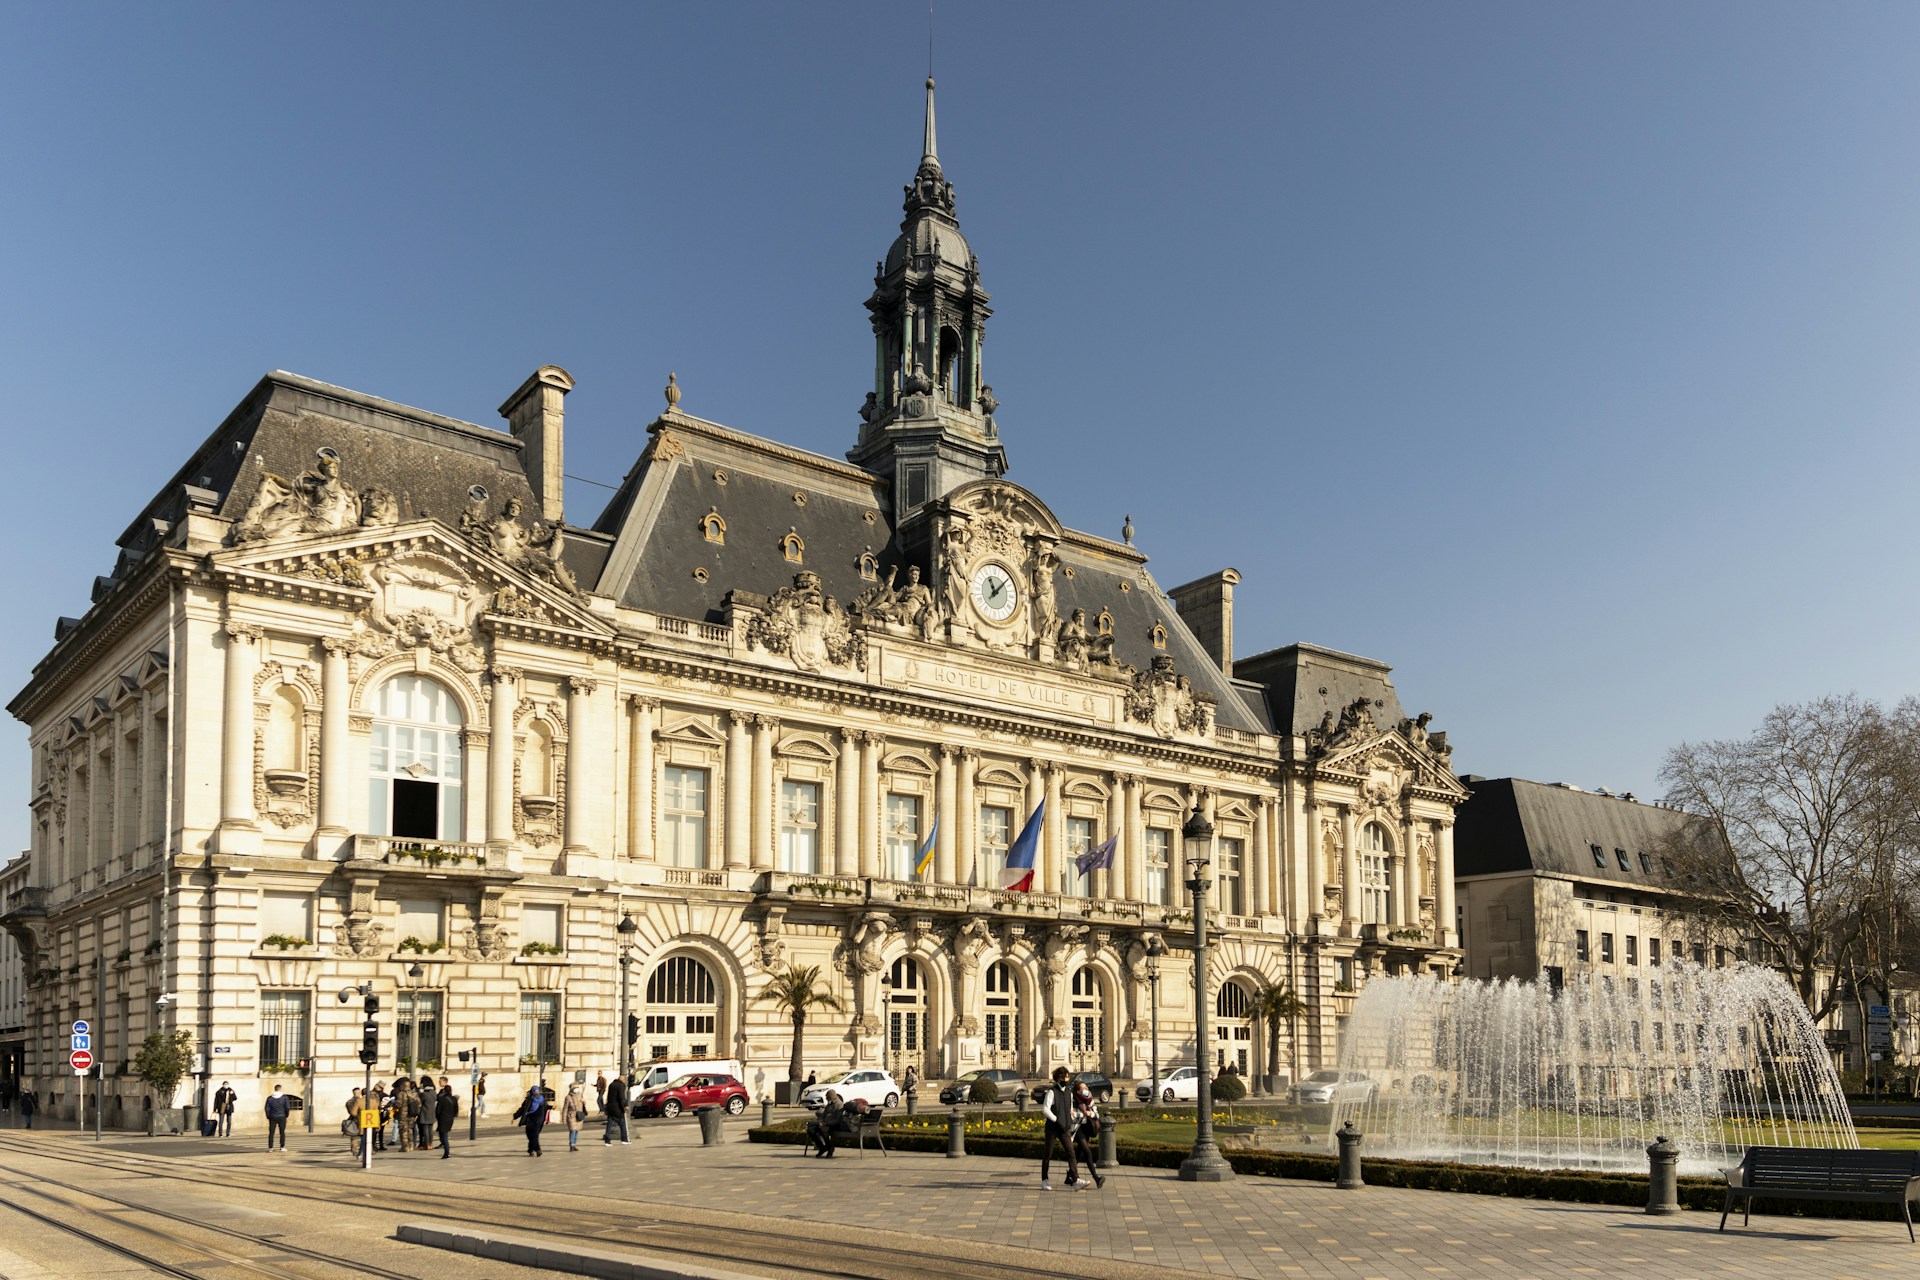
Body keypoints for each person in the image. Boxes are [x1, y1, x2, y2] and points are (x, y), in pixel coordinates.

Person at [1036, 1066, 1082, 1191]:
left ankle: (1076, 1179)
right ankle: (1044, 1180)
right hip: (1052, 1128)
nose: (1066, 1079)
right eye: (1063, 1077)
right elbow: (1045, 1109)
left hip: (1064, 1127)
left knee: (1071, 1153)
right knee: (1048, 1154)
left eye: (1067, 1077)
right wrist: (1055, 1119)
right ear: (1058, 1078)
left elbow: (1069, 1107)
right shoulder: (1052, 1092)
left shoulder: (1069, 1092)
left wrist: (1071, 1115)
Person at [1069, 1082, 1106, 1190]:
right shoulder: (1073, 1100)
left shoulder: (1089, 1099)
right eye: (1083, 1088)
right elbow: (1072, 1115)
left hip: (1087, 1128)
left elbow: (1096, 1114)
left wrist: (1091, 1114)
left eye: (1086, 1087)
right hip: (1077, 1128)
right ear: (1077, 1091)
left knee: (1078, 1154)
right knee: (1087, 1152)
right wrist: (1083, 1114)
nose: (1086, 1089)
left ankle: (1070, 1176)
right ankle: (1096, 1178)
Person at [805, 1090, 846, 1157]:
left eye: (827, 1097)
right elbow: (824, 1114)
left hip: (833, 1125)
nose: (826, 1098)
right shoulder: (829, 1104)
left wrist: (826, 1123)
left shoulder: (839, 1104)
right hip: (824, 1123)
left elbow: (837, 1120)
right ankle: (821, 1147)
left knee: (824, 1130)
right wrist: (821, 1121)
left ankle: (830, 1148)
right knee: (810, 1130)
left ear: (831, 1097)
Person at [514, 1083, 550, 1157]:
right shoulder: (534, 1100)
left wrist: (552, 1108)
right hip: (535, 1121)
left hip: (536, 1121)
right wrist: (515, 1117)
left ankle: (538, 1149)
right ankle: (530, 1150)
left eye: (537, 1091)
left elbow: (546, 1107)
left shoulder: (537, 1100)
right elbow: (523, 1109)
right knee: (531, 1136)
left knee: (534, 1136)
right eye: (535, 1091)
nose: (537, 1093)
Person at [603, 1072, 630, 1145]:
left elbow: (609, 1096)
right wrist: (625, 1106)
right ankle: (624, 1139)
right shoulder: (621, 1085)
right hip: (618, 1108)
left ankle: (607, 1140)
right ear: (623, 1080)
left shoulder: (611, 1085)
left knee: (609, 1125)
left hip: (610, 1107)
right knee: (622, 1124)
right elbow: (621, 1097)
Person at [434, 1077, 458, 1158]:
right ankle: (446, 1150)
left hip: (442, 1119)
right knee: (444, 1135)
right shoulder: (454, 1099)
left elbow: (438, 1110)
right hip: (450, 1119)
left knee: (444, 1136)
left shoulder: (442, 1099)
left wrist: (437, 1116)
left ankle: (447, 1152)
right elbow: (456, 1110)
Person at [263, 1084, 291, 1151]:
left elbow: (267, 1109)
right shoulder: (284, 1098)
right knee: (282, 1132)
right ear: (280, 1089)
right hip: (282, 1116)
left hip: (272, 1116)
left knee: (271, 1133)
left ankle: (270, 1147)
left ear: (274, 1089)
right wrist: (286, 1115)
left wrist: (268, 1116)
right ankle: (282, 1147)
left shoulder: (270, 1098)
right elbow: (287, 1107)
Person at [561, 1084, 588, 1152]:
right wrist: (563, 1118)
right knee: (572, 1130)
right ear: (572, 1089)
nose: (577, 1089)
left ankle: (574, 1144)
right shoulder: (568, 1097)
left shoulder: (580, 1096)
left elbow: (583, 1105)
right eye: (575, 1088)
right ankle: (571, 1145)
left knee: (576, 1131)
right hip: (571, 1116)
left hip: (579, 1115)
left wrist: (584, 1102)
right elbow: (565, 1108)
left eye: (577, 1088)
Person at [395, 1080, 418, 1153]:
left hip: (403, 1115)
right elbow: (419, 1104)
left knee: (403, 1131)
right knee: (410, 1130)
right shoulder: (414, 1094)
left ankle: (405, 1147)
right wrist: (416, 1114)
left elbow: (398, 1104)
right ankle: (411, 1145)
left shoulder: (401, 1094)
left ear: (403, 1086)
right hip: (412, 1114)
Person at [417, 1074, 438, 1150]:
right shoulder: (433, 1092)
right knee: (430, 1129)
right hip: (432, 1112)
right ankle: (430, 1143)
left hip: (424, 1112)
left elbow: (420, 1102)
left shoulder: (424, 1094)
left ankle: (426, 1144)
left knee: (425, 1129)